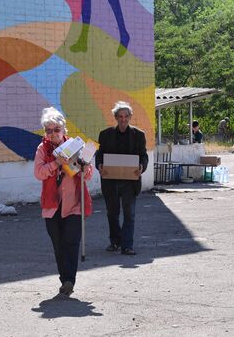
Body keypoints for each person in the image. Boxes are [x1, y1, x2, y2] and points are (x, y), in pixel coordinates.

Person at [34, 107, 93, 297]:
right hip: (52, 206)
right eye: (48, 130)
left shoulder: (76, 146)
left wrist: (84, 166)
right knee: (58, 244)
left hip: (74, 203)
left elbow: (88, 175)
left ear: (64, 130)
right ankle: (64, 277)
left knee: (72, 242)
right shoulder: (42, 149)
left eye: (56, 130)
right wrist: (56, 163)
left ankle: (69, 281)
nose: (52, 134)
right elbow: (38, 173)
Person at [95, 101, 148, 255]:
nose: (123, 119)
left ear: (130, 117)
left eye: (126, 116)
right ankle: (115, 241)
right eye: (120, 116)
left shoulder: (139, 135)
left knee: (129, 214)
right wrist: (99, 165)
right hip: (110, 182)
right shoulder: (105, 134)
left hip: (130, 182)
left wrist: (141, 167)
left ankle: (127, 246)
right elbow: (100, 155)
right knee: (112, 214)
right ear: (116, 117)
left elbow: (143, 156)